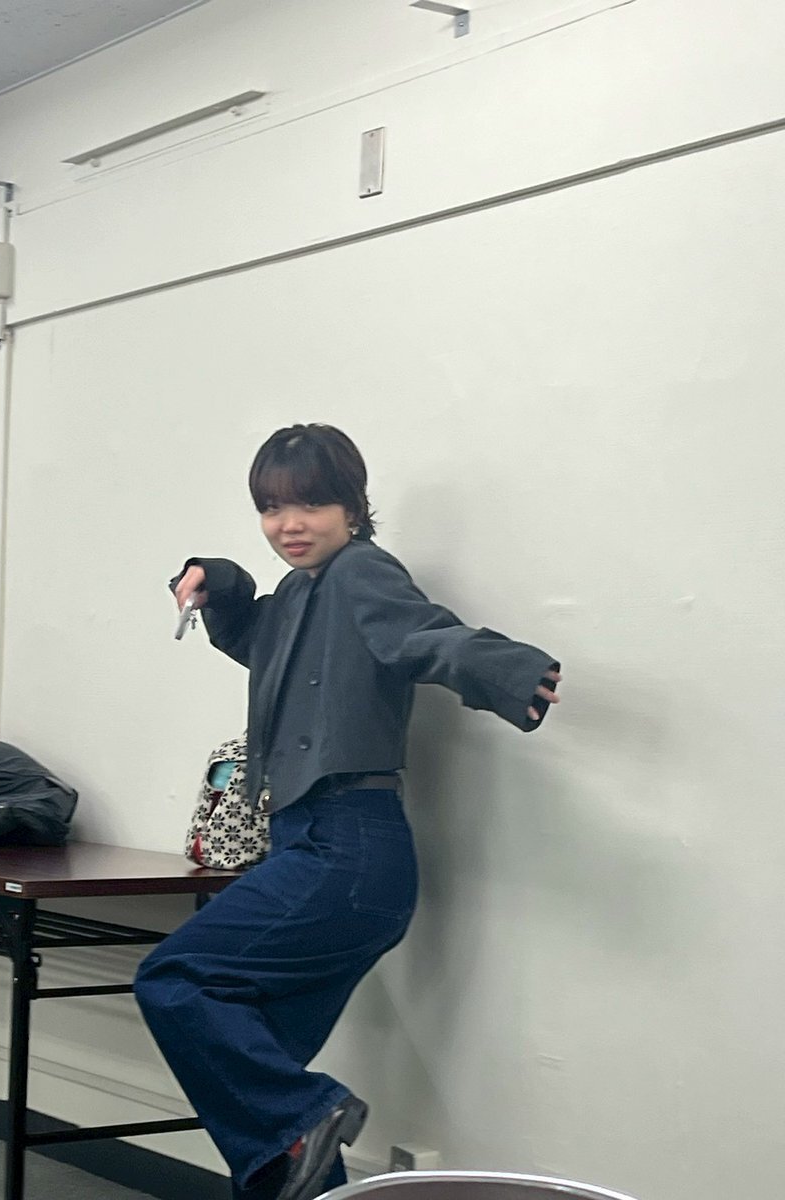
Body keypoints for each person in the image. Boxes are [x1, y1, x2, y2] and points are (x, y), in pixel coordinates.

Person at [134, 423, 562, 1200]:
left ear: (353, 508)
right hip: (322, 850)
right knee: (271, 1121)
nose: (289, 524)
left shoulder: (361, 571)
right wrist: (215, 577)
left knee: (178, 980)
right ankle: (303, 1139)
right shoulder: (302, 594)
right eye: (272, 508)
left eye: (311, 504)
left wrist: (510, 672)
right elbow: (257, 636)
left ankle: (307, 1115)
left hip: (347, 849)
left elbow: (422, 633)